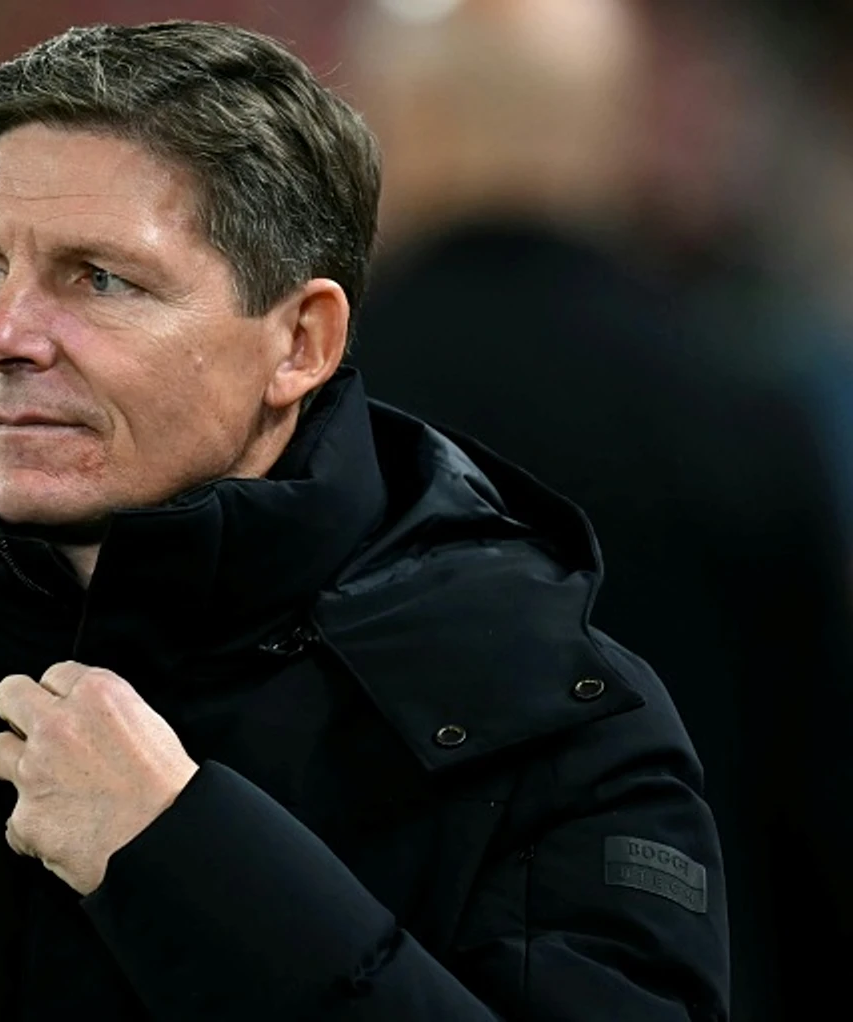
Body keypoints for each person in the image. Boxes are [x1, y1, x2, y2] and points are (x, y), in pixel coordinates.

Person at [0, 21, 729, 1021]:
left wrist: (186, 856)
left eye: (98, 278)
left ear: (301, 341)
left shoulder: (546, 713)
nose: (3, 335)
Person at [346, 2, 853, 1016]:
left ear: (400, 126)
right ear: (610, 134)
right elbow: (814, 792)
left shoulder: (306, 407)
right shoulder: (740, 404)